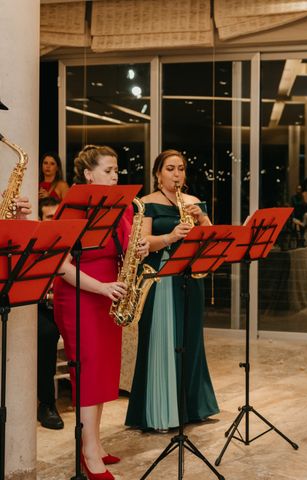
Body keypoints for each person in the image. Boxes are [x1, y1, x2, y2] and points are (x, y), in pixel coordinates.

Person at [53, 145, 149, 480]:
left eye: (117, 170)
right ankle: (88, 453)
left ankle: (93, 442)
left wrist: (141, 246)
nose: (115, 176)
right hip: (81, 296)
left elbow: (130, 246)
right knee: (89, 376)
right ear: (88, 175)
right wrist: (103, 288)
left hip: (110, 295)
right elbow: (60, 266)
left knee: (103, 374)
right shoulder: (73, 208)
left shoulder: (120, 207)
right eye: (108, 170)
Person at [125, 149, 220, 432]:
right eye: (169, 169)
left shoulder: (194, 203)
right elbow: (140, 246)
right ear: (157, 173)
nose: (176, 174)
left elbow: (212, 238)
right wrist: (170, 236)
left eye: (180, 169)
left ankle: (192, 408)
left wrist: (202, 218)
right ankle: (160, 411)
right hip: (160, 278)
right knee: (161, 341)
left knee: (191, 340)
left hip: (191, 277)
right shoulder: (146, 203)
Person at [37, 197, 64, 430]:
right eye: (48, 217)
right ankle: (47, 404)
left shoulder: (69, 242)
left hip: (65, 305)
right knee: (45, 333)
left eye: (58, 216)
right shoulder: (34, 243)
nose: (54, 222)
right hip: (41, 308)